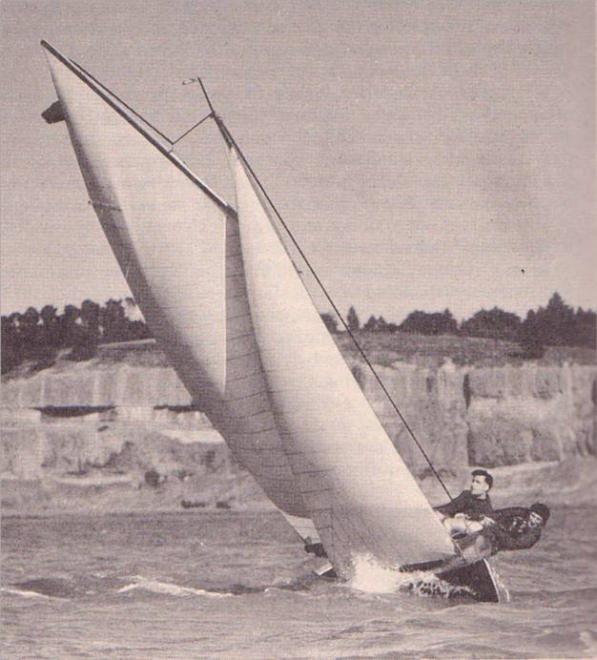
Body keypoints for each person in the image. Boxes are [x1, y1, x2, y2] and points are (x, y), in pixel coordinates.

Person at [435, 469, 494, 536]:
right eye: (473, 481)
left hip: (473, 527)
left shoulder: (486, 505)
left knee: (448, 522)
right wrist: (436, 511)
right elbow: (451, 507)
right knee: (437, 515)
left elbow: (486, 519)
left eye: (478, 482)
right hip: (458, 522)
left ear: (486, 487)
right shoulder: (465, 494)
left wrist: (465, 516)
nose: (473, 484)